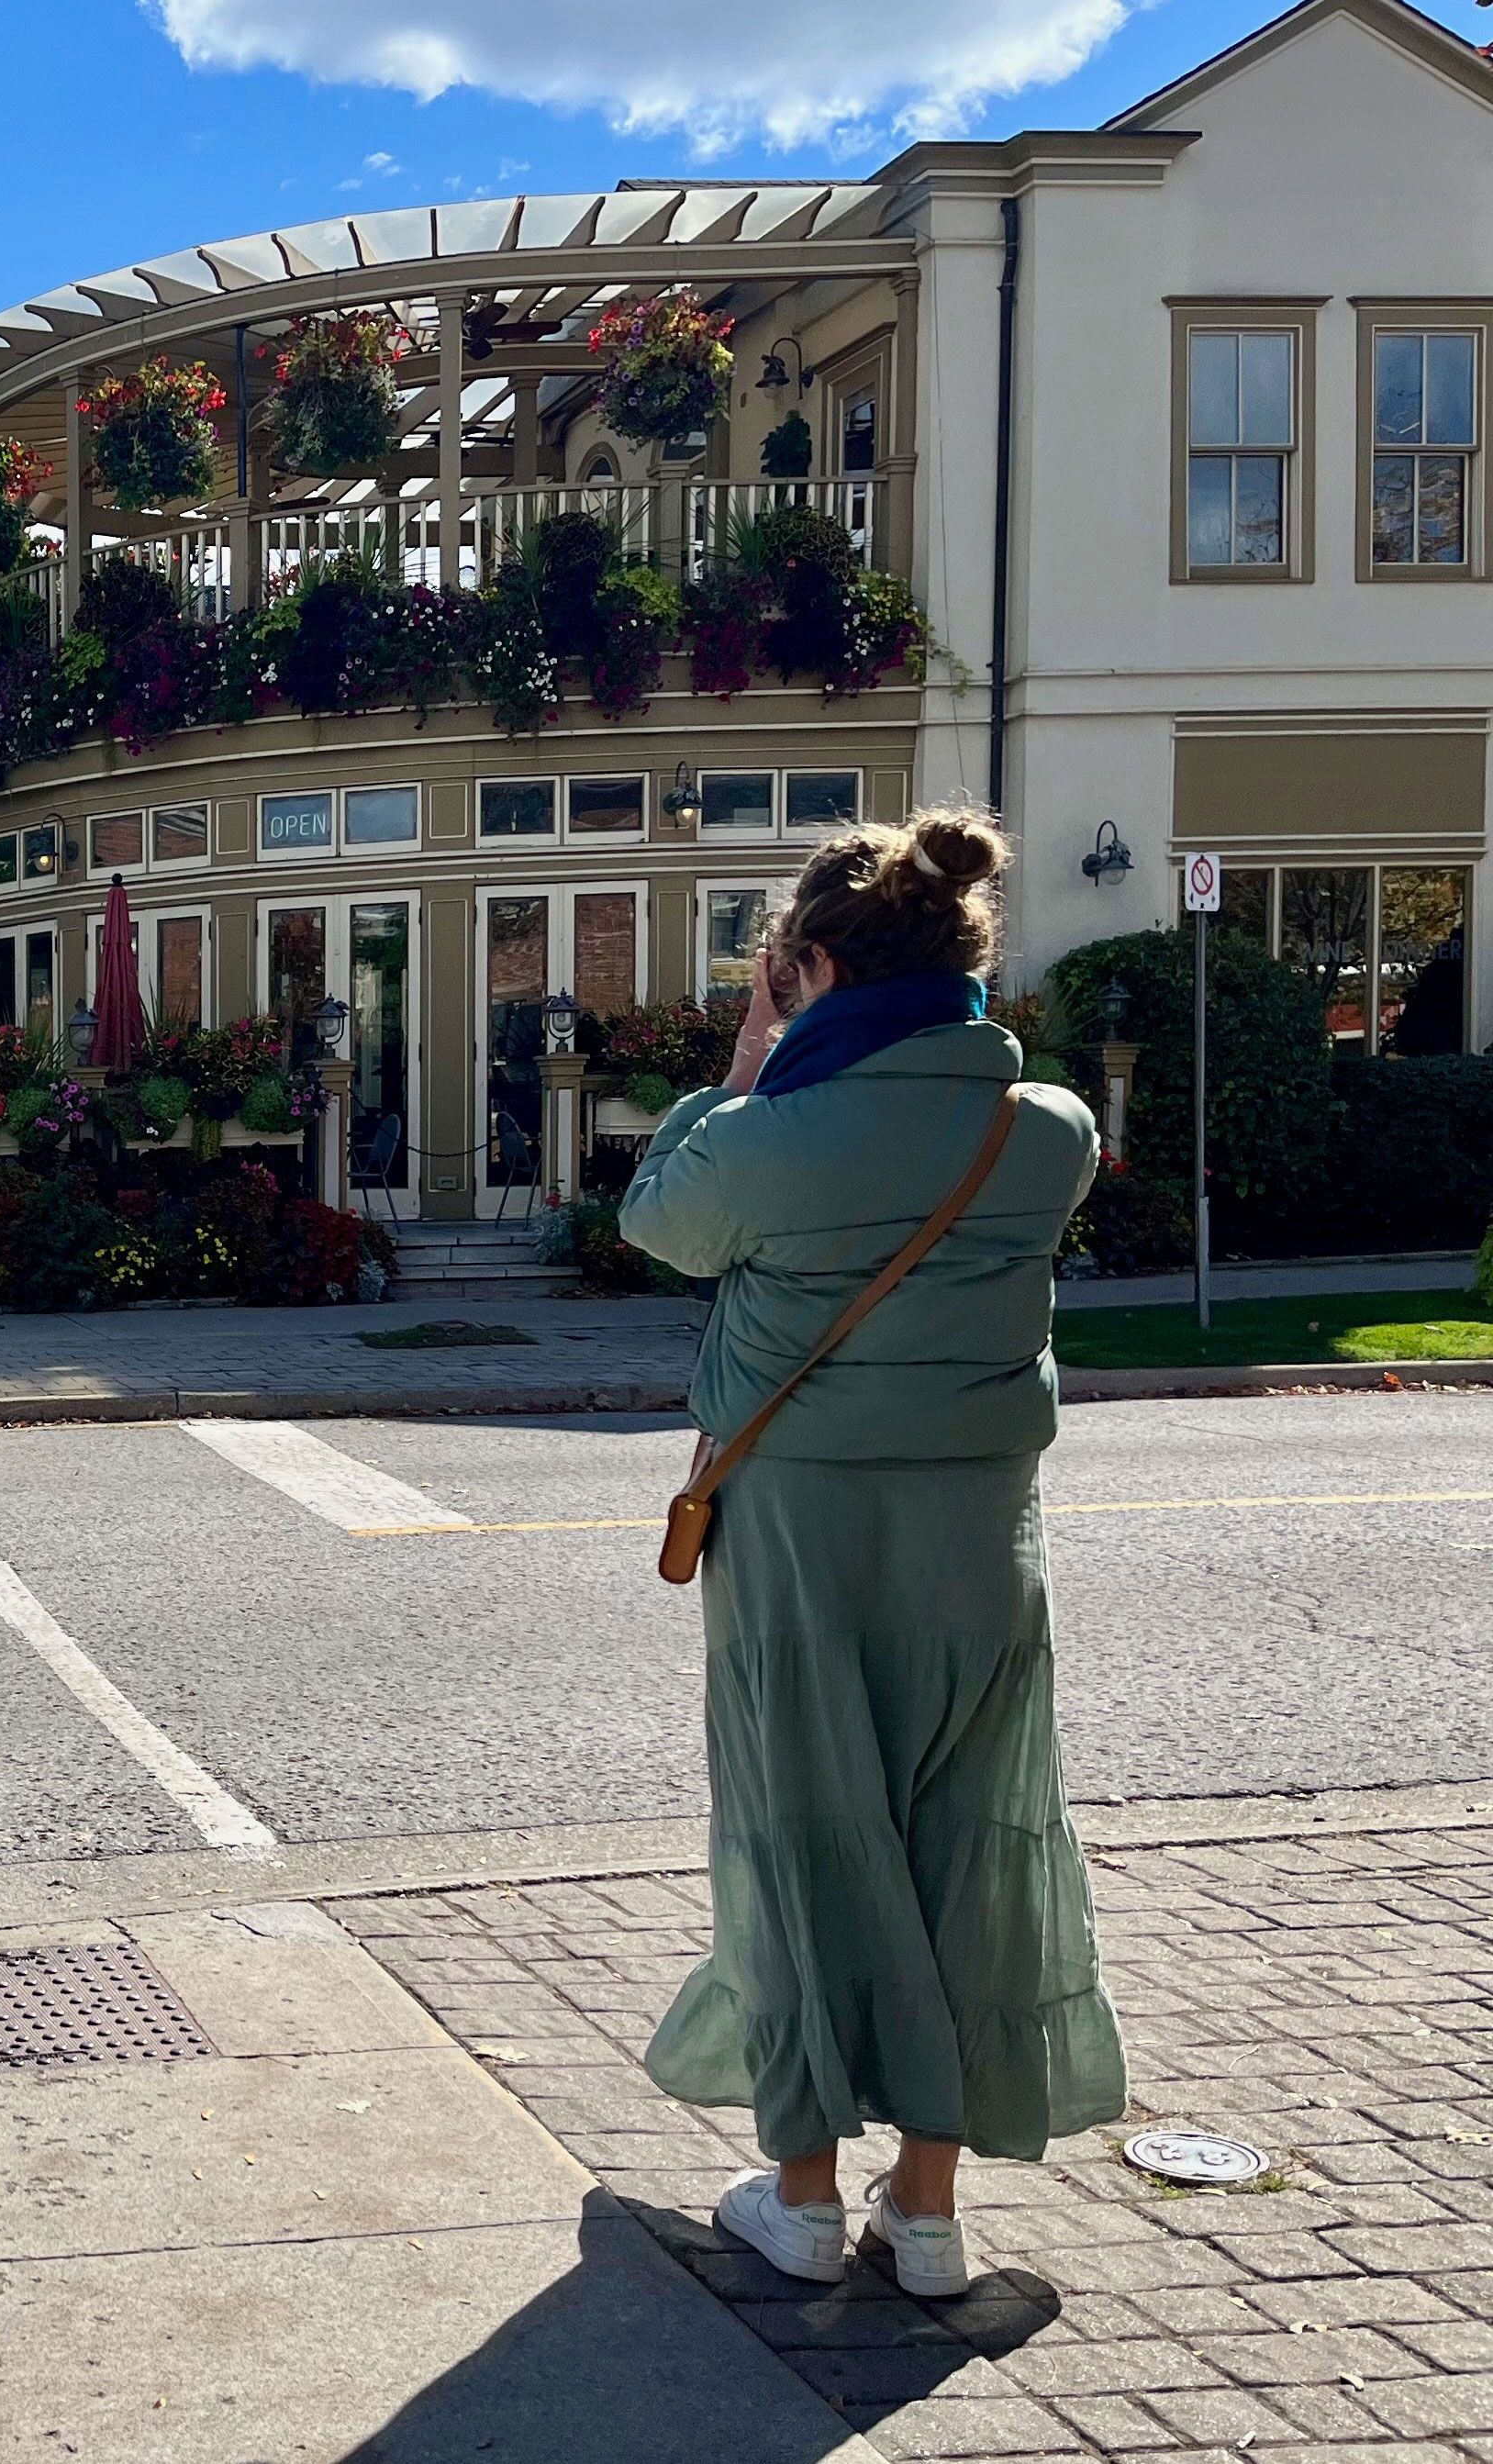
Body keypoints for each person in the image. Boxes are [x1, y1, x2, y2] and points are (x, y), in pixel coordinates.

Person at [616, 809, 1117, 2303]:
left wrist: (755, 1043)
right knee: (963, 1840)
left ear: (811, 964)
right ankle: (930, 2211)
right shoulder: (1047, 1132)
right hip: (980, 1540)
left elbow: (661, 1222)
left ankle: (802, 2192)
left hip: (798, 1532)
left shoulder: (771, 1139)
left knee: (806, 1835)